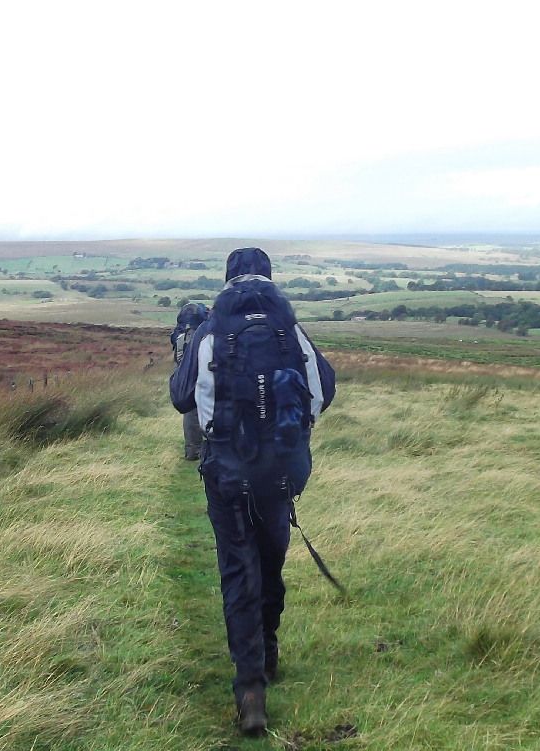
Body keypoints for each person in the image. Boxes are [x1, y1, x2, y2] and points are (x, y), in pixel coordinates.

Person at [169, 248, 335, 735]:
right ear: (269, 277)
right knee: (270, 559)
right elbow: (325, 388)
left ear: (226, 279)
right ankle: (270, 650)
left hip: (228, 472)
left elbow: (181, 395)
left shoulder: (211, 328)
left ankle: (251, 690)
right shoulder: (289, 328)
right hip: (280, 473)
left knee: (238, 569)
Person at [170, 301, 209, 460]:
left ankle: (193, 450)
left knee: (190, 410)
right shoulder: (203, 332)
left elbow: (179, 357)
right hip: (203, 374)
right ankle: (207, 446)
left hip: (186, 374)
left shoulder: (181, 336)